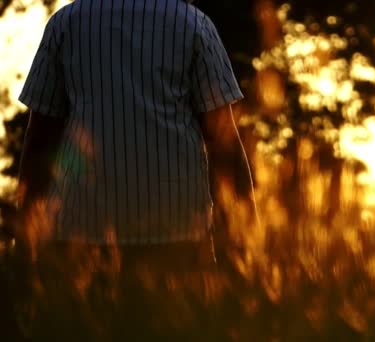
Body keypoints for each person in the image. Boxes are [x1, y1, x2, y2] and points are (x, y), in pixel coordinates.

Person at [15, 0, 258, 339]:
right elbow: (224, 144)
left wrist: (25, 236)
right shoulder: (193, 25)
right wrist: (249, 239)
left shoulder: (65, 24)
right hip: (177, 239)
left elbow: (41, 140)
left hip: (79, 239)